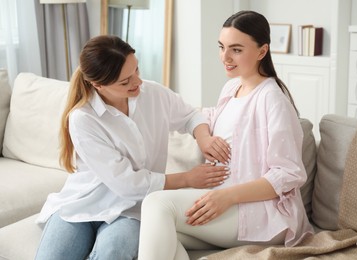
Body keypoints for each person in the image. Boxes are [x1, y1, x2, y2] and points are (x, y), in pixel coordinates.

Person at [34, 35, 231, 260]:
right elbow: (128, 184)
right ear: (97, 85)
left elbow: (190, 116)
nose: (137, 82)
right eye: (125, 81)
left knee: (112, 254)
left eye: (136, 70)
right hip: (82, 204)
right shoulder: (83, 118)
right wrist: (187, 179)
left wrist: (204, 137)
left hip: (131, 210)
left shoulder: (154, 94)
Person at [138, 10, 314, 260]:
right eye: (222, 47)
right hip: (222, 202)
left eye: (236, 49)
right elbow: (205, 117)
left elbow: (288, 173)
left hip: (260, 212)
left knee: (157, 203)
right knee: (162, 234)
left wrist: (227, 196)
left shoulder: (272, 99)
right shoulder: (233, 87)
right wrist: (204, 138)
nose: (225, 57)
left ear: (262, 51)